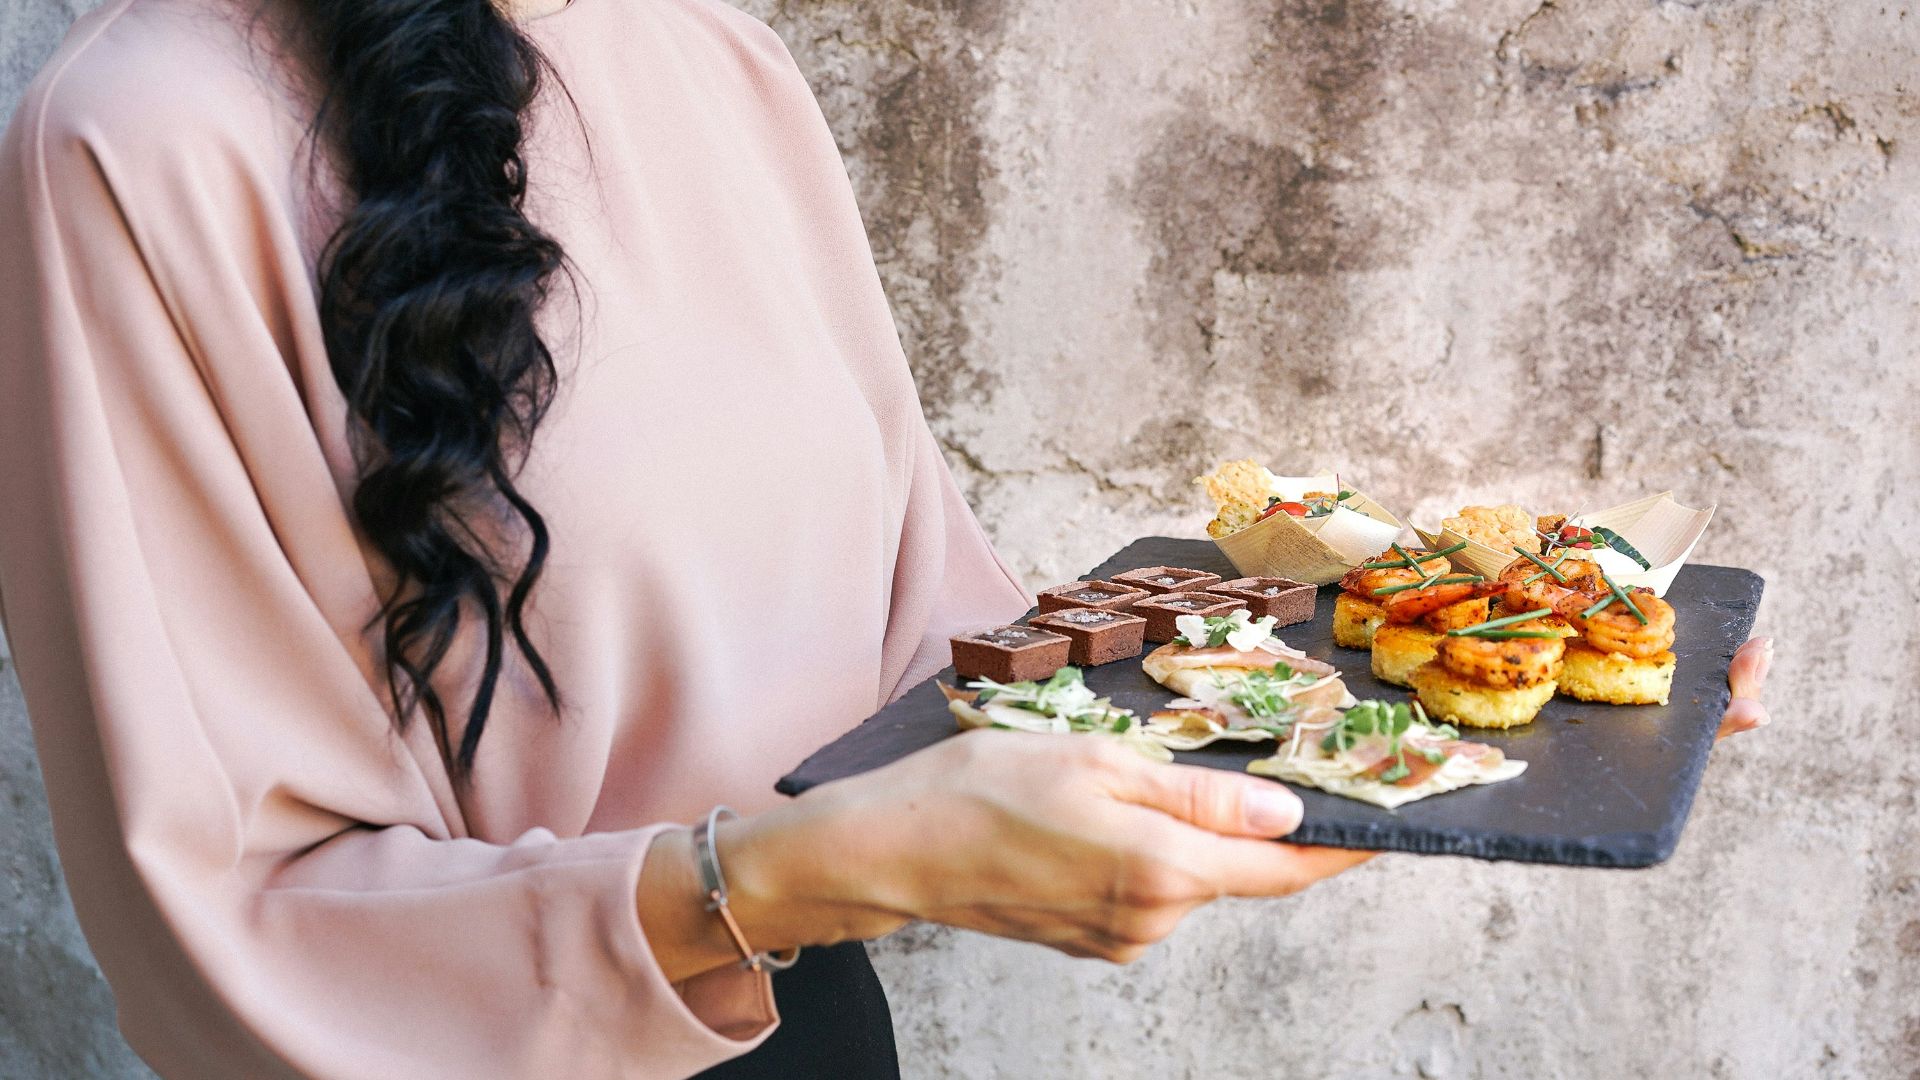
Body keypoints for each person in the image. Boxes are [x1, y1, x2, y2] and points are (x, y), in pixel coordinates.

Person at [0, 0, 1774, 1077]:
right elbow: (225, 930)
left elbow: (941, 670)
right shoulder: (144, 133)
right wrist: (810, 876)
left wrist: (1441, 664)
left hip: (805, 1049)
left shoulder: (717, 61)